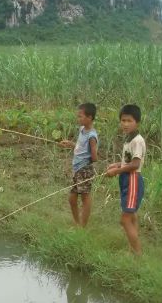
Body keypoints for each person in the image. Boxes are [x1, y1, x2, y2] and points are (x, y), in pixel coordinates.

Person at [105, 105, 146, 255]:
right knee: (131, 215)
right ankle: (134, 250)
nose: (125, 124)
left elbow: (135, 165)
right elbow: (128, 162)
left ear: (137, 122)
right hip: (126, 179)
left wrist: (117, 170)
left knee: (125, 219)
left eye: (129, 121)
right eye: (123, 120)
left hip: (133, 180)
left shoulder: (137, 141)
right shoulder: (129, 140)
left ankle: (137, 255)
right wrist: (117, 165)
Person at [60, 103, 99, 227]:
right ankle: (78, 224)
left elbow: (94, 157)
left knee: (85, 198)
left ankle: (82, 227)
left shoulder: (92, 136)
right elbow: (80, 147)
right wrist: (70, 144)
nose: (79, 119)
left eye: (81, 116)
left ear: (90, 117)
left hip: (84, 170)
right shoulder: (82, 130)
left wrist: (86, 161)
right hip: (77, 170)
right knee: (72, 199)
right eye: (78, 116)